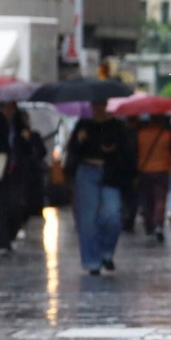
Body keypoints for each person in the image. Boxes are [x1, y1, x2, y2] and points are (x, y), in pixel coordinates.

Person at [64, 99, 132, 274]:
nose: (98, 108)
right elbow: (72, 150)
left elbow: (126, 151)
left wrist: (113, 150)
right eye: (95, 104)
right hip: (87, 172)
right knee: (87, 219)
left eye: (101, 104)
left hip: (110, 173)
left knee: (112, 215)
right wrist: (79, 140)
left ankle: (106, 252)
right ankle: (91, 261)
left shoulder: (116, 125)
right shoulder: (83, 124)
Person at [0, 102, 48, 258]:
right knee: (1, 208)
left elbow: (31, 150)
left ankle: (11, 234)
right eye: (6, 108)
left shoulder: (21, 127)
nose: (9, 111)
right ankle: (3, 243)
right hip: (0, 173)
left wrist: (25, 139)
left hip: (18, 172)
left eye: (11, 108)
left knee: (16, 206)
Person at [133, 113, 171, 244]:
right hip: (162, 170)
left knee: (147, 200)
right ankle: (158, 224)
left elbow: (135, 152)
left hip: (144, 171)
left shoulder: (141, 134)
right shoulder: (166, 134)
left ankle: (149, 227)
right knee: (160, 199)